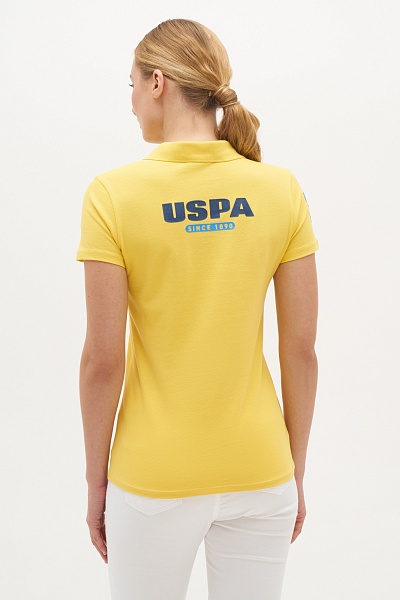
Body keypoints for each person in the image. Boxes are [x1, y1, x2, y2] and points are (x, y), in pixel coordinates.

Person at [76, 18, 319, 600]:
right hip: (261, 468)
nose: (131, 102)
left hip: (153, 478)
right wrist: (292, 470)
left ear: (157, 82)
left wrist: (96, 483)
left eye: (132, 85)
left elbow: (103, 362)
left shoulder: (113, 195)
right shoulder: (279, 189)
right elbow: (301, 351)